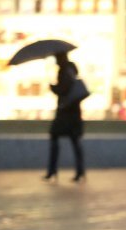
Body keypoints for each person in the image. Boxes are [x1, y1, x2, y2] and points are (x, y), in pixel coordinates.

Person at [44, 52, 85, 182]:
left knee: (56, 139)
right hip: (72, 113)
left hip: (66, 113)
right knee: (74, 142)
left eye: (57, 58)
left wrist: (53, 88)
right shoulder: (71, 69)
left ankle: (53, 171)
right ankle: (79, 171)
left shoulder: (64, 71)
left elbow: (64, 90)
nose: (56, 60)